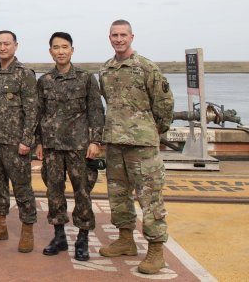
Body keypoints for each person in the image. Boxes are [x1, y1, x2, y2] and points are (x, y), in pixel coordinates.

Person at [98, 19, 174, 275]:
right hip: (115, 142)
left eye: (123, 35)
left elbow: (163, 104)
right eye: (114, 35)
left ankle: (155, 250)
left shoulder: (146, 68)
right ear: (109, 38)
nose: (119, 39)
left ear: (132, 37)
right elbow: (110, 102)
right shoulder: (106, 70)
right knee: (118, 195)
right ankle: (125, 239)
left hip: (142, 144)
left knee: (149, 197)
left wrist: (154, 131)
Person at [35, 32, 105, 261]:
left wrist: (95, 141)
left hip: (79, 147)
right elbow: (39, 114)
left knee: (82, 193)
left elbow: (96, 111)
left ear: (72, 50)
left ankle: (82, 239)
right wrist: (38, 142)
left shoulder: (85, 78)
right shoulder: (44, 81)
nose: (61, 51)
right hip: (53, 147)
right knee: (54, 193)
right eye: (56, 47)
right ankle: (59, 236)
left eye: (65, 47)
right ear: (50, 51)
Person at [0, 30, 39, 253]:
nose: (2, 47)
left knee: (22, 188)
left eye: (7, 43)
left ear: (16, 45)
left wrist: (27, 140)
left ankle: (27, 230)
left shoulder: (25, 74)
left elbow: (32, 110)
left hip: (17, 144)